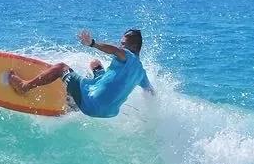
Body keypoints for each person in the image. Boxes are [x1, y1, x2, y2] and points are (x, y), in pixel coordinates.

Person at [9, 29, 154, 118]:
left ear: (133, 46)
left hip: (91, 103)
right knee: (95, 64)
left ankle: (24, 86)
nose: (120, 46)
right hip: (108, 113)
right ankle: (73, 104)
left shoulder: (127, 55)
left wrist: (92, 43)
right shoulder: (141, 73)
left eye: (123, 43)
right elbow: (150, 92)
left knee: (61, 67)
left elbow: (115, 50)